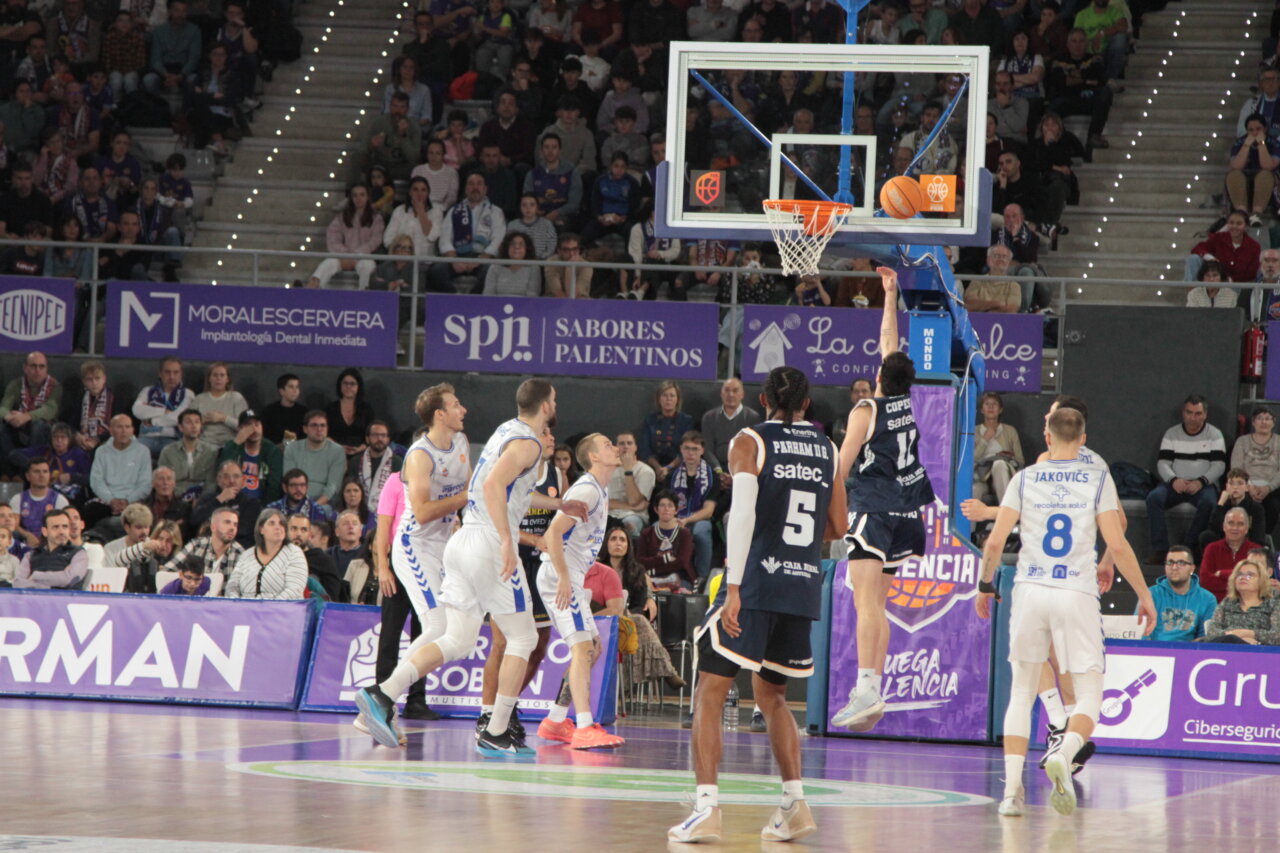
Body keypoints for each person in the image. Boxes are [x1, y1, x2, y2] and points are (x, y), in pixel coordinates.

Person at [356, 379, 587, 756]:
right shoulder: (527, 442)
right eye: (555, 400)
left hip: (459, 544)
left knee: (457, 639)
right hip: (484, 544)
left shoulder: (504, 432)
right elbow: (494, 485)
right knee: (524, 638)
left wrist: (558, 506)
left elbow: (509, 492)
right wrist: (507, 539)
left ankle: (382, 694)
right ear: (545, 405)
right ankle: (495, 729)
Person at [670, 365, 844, 843]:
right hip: (803, 586)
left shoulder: (749, 439)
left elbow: (742, 514)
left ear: (764, 400)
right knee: (772, 696)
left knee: (709, 689)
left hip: (758, 584)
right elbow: (840, 526)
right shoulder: (827, 448)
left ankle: (706, 806)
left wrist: (734, 587)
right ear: (807, 405)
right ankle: (794, 801)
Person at [975, 406, 1155, 818]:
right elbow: (1119, 543)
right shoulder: (1097, 477)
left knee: (1020, 693)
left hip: (1030, 589)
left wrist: (984, 586)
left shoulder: (1023, 477)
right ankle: (1067, 747)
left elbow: (994, 542)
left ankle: (1011, 795)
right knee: (1091, 693)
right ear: (1085, 438)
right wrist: (1145, 594)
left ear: (1048, 437)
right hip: (1075, 590)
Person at [832, 268, 935, 731]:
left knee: (865, 605)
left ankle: (866, 688)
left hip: (873, 510)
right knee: (879, 604)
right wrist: (890, 295)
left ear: (877, 376)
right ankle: (873, 687)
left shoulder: (865, 409)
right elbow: (890, 343)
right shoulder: (905, 403)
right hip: (907, 514)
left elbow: (841, 464)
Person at [534, 433, 626, 749]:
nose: (614, 446)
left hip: (570, 575)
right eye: (607, 444)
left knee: (593, 648)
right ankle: (585, 726)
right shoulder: (587, 488)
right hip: (561, 576)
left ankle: (556, 721)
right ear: (594, 457)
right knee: (582, 649)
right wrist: (563, 578)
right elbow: (553, 532)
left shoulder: (599, 487)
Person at [1145, 395, 1226, 565]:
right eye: (1189, 413)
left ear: (1205, 415)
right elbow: (1163, 463)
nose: (1193, 418)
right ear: (1183, 413)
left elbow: (1219, 466)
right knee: (1154, 498)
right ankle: (1160, 550)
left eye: (1197, 414)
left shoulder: (1214, 434)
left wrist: (1201, 482)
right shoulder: (1171, 433)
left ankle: (1188, 549)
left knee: (1209, 503)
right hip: (1175, 483)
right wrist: (1173, 479)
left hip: (1203, 485)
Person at [599, 526, 682, 689]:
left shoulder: (637, 571)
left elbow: (639, 604)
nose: (618, 543)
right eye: (613, 539)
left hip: (626, 618)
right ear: (606, 544)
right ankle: (667, 671)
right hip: (602, 618)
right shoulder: (597, 569)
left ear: (628, 546)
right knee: (639, 622)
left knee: (635, 620)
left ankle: (628, 686)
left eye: (622, 540)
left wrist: (627, 613)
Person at [665, 431, 721, 582]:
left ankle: (702, 578)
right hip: (675, 518)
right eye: (687, 448)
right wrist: (673, 519)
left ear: (702, 451)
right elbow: (665, 505)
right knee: (658, 527)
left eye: (695, 449)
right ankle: (664, 576)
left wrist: (686, 520)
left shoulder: (711, 477)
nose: (690, 453)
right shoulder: (672, 476)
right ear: (681, 450)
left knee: (702, 531)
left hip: (699, 519)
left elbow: (708, 511)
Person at [305, 185, 384, 290]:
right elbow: (332, 238)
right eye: (355, 195)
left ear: (367, 197)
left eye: (362, 195)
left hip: (364, 257)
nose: (358, 198)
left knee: (367, 266)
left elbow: (375, 241)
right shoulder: (342, 217)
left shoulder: (376, 218)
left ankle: (365, 297)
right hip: (343, 257)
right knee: (328, 263)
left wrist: (356, 255)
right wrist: (345, 254)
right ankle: (311, 290)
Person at [86, 414, 152, 528]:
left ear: (132, 430)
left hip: (133, 500)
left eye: (127, 427)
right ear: (111, 430)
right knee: (90, 509)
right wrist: (111, 500)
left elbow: (145, 484)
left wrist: (128, 501)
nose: (124, 431)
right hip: (107, 501)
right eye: (119, 427)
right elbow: (96, 481)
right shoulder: (101, 451)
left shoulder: (143, 451)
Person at [225, 509, 307, 600]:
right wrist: (236, 602)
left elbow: (294, 589)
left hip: (282, 611)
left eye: (281, 524)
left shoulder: (294, 553)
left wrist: (270, 608)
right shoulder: (247, 555)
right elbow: (232, 586)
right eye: (272, 523)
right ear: (261, 529)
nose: (278, 527)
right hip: (246, 610)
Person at [0, 351, 60, 475]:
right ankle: (10, 475)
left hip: (44, 429)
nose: (37, 370)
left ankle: (30, 472)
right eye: (33, 366)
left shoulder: (55, 386)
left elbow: (50, 410)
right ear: (25, 368)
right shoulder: (16, 384)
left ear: (46, 369)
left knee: (39, 426)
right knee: (2, 429)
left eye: (41, 366)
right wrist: (10, 416)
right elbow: (3, 407)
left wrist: (27, 416)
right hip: (19, 428)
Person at [1146, 546, 1218, 642]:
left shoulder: (1207, 599)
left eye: (1181, 563)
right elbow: (1141, 630)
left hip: (1189, 652)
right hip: (1155, 650)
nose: (1174, 567)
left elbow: (1206, 637)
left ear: (1192, 568)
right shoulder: (1151, 594)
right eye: (1170, 562)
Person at [1201, 559, 1279, 645]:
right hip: (1226, 648)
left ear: (1262, 580)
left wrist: (1249, 634)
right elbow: (1211, 633)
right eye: (1239, 575)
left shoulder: (1274, 601)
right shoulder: (1228, 602)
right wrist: (1234, 636)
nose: (1243, 578)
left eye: (1250, 575)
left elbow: (1277, 636)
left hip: (1262, 652)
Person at [349, 91, 420, 184]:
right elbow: (363, 149)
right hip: (379, 162)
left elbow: (414, 157)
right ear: (390, 107)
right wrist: (371, 146)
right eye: (394, 106)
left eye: (402, 107)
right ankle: (351, 192)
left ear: (407, 109)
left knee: (417, 169)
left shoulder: (414, 127)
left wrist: (403, 136)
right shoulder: (378, 123)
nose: (397, 111)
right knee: (356, 157)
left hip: (400, 166)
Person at [1231, 406, 1280, 539]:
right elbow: (1236, 468)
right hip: (1246, 486)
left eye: (1267, 419)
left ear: (1274, 422)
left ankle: (1263, 540)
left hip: (1272, 487)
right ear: (1253, 422)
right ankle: (1245, 538)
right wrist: (1249, 487)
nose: (1263, 422)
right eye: (1259, 418)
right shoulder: (1242, 441)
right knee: (1243, 505)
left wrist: (1268, 488)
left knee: (1273, 507)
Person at [218, 409, 283, 505]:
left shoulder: (272, 451)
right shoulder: (232, 446)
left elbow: (274, 486)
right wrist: (236, 442)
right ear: (240, 428)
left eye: (257, 424)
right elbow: (222, 471)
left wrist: (266, 508)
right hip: (232, 502)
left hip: (260, 504)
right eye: (248, 425)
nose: (254, 429)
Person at [190, 461, 261, 549]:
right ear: (218, 480)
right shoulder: (207, 499)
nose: (232, 481)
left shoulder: (251, 502)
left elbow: (245, 530)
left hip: (238, 548)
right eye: (226, 476)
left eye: (236, 476)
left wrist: (213, 529)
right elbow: (194, 520)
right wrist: (219, 499)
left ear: (243, 480)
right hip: (206, 547)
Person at [282, 410, 347, 506]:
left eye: (323, 425)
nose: (319, 429)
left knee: (324, 511)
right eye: (314, 425)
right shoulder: (292, 449)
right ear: (305, 429)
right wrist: (300, 505)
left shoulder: (338, 451)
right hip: (296, 498)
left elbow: (333, 487)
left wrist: (314, 506)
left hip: (325, 501)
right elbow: (289, 481)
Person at [11, 509, 87, 590]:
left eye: (65, 526)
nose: (61, 531)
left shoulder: (79, 553)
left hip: (67, 600)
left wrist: (35, 576)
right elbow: (17, 583)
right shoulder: (31, 554)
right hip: (34, 600)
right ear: (45, 531)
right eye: (56, 527)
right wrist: (47, 587)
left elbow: (69, 579)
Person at [1226, 114, 1280, 227]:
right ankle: (1242, 212)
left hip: (1268, 179)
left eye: (1258, 129)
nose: (1254, 132)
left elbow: (1268, 166)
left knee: (1264, 175)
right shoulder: (1240, 142)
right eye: (1251, 130)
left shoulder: (1274, 142)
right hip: (1246, 177)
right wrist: (1246, 145)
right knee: (1233, 175)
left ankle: (1256, 214)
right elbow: (1236, 165)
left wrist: (1261, 144)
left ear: (1265, 129)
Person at [132, 357, 190, 459]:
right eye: (167, 372)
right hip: (146, 438)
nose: (171, 376)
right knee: (132, 451)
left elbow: (178, 419)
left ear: (181, 374)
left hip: (173, 439)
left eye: (176, 372)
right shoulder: (148, 391)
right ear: (160, 373)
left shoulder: (188, 394)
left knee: (176, 454)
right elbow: (137, 410)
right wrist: (163, 411)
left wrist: (151, 420)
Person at [637, 490, 696, 590]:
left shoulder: (684, 533)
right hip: (652, 578)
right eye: (662, 505)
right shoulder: (646, 533)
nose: (666, 509)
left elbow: (682, 562)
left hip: (681, 577)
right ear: (656, 509)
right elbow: (641, 561)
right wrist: (666, 558)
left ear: (676, 510)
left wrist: (654, 569)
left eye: (670, 505)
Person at [700, 378, 761, 475]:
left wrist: (737, 474)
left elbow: (754, 452)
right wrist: (719, 472)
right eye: (727, 390)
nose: (731, 394)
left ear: (742, 394)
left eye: (735, 391)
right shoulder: (709, 417)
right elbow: (707, 450)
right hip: (715, 471)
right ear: (721, 393)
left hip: (742, 471)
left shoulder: (753, 418)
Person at [1198, 507, 1260, 602]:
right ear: (1224, 526)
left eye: (1240, 524)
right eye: (1231, 523)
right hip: (1216, 605)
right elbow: (1205, 581)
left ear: (1247, 529)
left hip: (1248, 606)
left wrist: (1222, 574)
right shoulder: (1212, 548)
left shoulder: (1256, 551)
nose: (1235, 528)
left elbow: (1258, 582)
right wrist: (1241, 581)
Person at [974, 391, 1024, 505]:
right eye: (987, 404)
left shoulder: (1010, 431)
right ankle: (967, 524)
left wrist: (1008, 458)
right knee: (974, 490)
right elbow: (971, 460)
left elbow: (1021, 461)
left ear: (1000, 409)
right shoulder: (974, 431)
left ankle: (1006, 516)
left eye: (994, 404)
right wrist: (984, 440)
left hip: (1004, 475)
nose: (991, 407)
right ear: (982, 410)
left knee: (999, 464)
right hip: (982, 478)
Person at [162, 505, 243, 575]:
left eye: (235, 524)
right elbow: (167, 571)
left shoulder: (240, 553)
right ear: (213, 527)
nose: (232, 528)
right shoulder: (196, 545)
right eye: (227, 522)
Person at [1184, 210, 1260, 285]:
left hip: (1236, 285)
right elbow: (1197, 248)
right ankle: (1192, 293)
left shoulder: (1254, 246)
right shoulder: (1219, 238)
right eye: (1231, 223)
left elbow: (1251, 273)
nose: (1234, 226)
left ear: (1246, 226)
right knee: (1193, 258)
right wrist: (1209, 257)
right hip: (1213, 282)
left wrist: (1228, 280)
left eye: (1239, 224)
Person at [1202, 468, 1266, 552]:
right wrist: (1220, 503)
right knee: (1205, 535)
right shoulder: (1222, 505)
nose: (1235, 487)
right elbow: (1212, 528)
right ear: (1226, 486)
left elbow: (1258, 536)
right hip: (1224, 545)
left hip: (1246, 546)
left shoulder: (1255, 508)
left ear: (1247, 487)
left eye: (1240, 483)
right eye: (1231, 483)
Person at [638, 380, 695, 474]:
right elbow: (644, 449)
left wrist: (668, 468)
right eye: (664, 395)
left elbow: (687, 449)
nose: (668, 399)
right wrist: (657, 468)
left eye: (672, 396)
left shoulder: (686, 421)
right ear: (659, 399)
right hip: (652, 469)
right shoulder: (649, 420)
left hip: (678, 468)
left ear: (677, 399)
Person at [157, 409, 217, 498]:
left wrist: (202, 500)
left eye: (197, 422)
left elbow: (211, 483)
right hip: (175, 498)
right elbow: (163, 480)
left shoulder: (211, 451)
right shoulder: (168, 451)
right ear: (180, 427)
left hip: (203, 498)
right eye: (189, 422)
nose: (194, 426)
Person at [607, 432, 654, 538]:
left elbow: (634, 500)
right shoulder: (607, 470)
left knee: (629, 524)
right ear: (616, 447)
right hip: (609, 514)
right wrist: (630, 506)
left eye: (629, 443)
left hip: (634, 515)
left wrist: (628, 471)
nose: (626, 446)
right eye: (622, 443)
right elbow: (605, 503)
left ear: (636, 447)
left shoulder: (646, 471)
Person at [115, 518, 182, 593]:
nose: (163, 544)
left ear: (175, 543)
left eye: (168, 541)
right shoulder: (145, 551)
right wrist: (143, 546)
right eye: (160, 539)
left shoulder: (179, 559)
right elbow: (118, 561)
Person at [287, 513, 342, 601]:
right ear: (286, 531)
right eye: (294, 529)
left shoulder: (324, 561)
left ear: (309, 534)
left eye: (303, 530)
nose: (298, 534)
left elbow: (331, 600)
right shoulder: (278, 557)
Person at [192, 362, 248, 448]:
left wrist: (223, 418)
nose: (218, 378)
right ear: (209, 379)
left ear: (227, 379)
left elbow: (245, 427)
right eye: (215, 375)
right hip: (204, 444)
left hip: (231, 444)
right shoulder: (199, 399)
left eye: (222, 375)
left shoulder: (237, 398)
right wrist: (200, 421)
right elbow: (187, 425)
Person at [324, 369, 376, 457]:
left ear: (358, 387)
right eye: (345, 383)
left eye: (352, 384)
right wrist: (339, 448)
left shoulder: (366, 409)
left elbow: (371, 434)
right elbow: (324, 433)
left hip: (361, 454)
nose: (348, 387)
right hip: (334, 453)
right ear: (340, 386)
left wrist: (360, 448)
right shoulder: (330, 408)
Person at [967, 246, 1023, 313]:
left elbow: (1011, 310)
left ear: (1009, 262)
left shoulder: (1014, 286)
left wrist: (984, 307)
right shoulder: (977, 281)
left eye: (1004, 257)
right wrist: (996, 304)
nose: (1000, 259)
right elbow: (970, 304)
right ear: (988, 259)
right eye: (996, 256)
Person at [268, 469, 335, 523]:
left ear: (307, 487)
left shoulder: (316, 510)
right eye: (294, 485)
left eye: (302, 485)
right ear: (285, 488)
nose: (298, 489)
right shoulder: (272, 509)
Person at [261, 374, 305, 444]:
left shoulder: (304, 412)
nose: (295, 390)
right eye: (291, 387)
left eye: (297, 387)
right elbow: (265, 437)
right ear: (281, 391)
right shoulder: (269, 412)